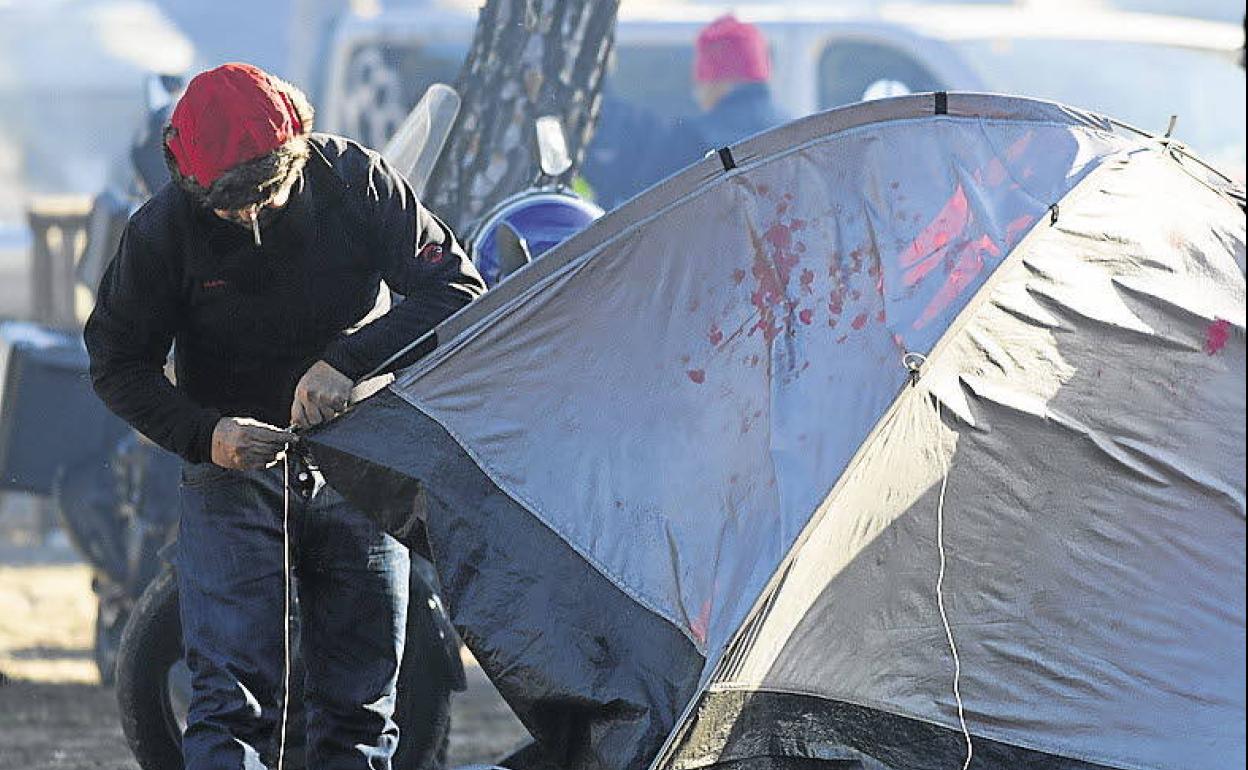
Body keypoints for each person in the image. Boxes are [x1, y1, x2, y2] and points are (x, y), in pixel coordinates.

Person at [84, 62, 485, 769]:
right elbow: (116, 362)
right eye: (226, 204)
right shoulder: (162, 231)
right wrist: (206, 435)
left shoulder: (357, 181)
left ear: (298, 149)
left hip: (361, 458)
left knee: (362, 707)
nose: (248, 216)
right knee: (228, 703)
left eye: (263, 196)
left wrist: (348, 362)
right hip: (230, 467)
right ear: (187, 177)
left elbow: (457, 288)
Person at [654, 15, 791, 176]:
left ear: (716, 79)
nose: (696, 92)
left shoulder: (692, 138)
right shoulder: (791, 130)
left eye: (700, 81)